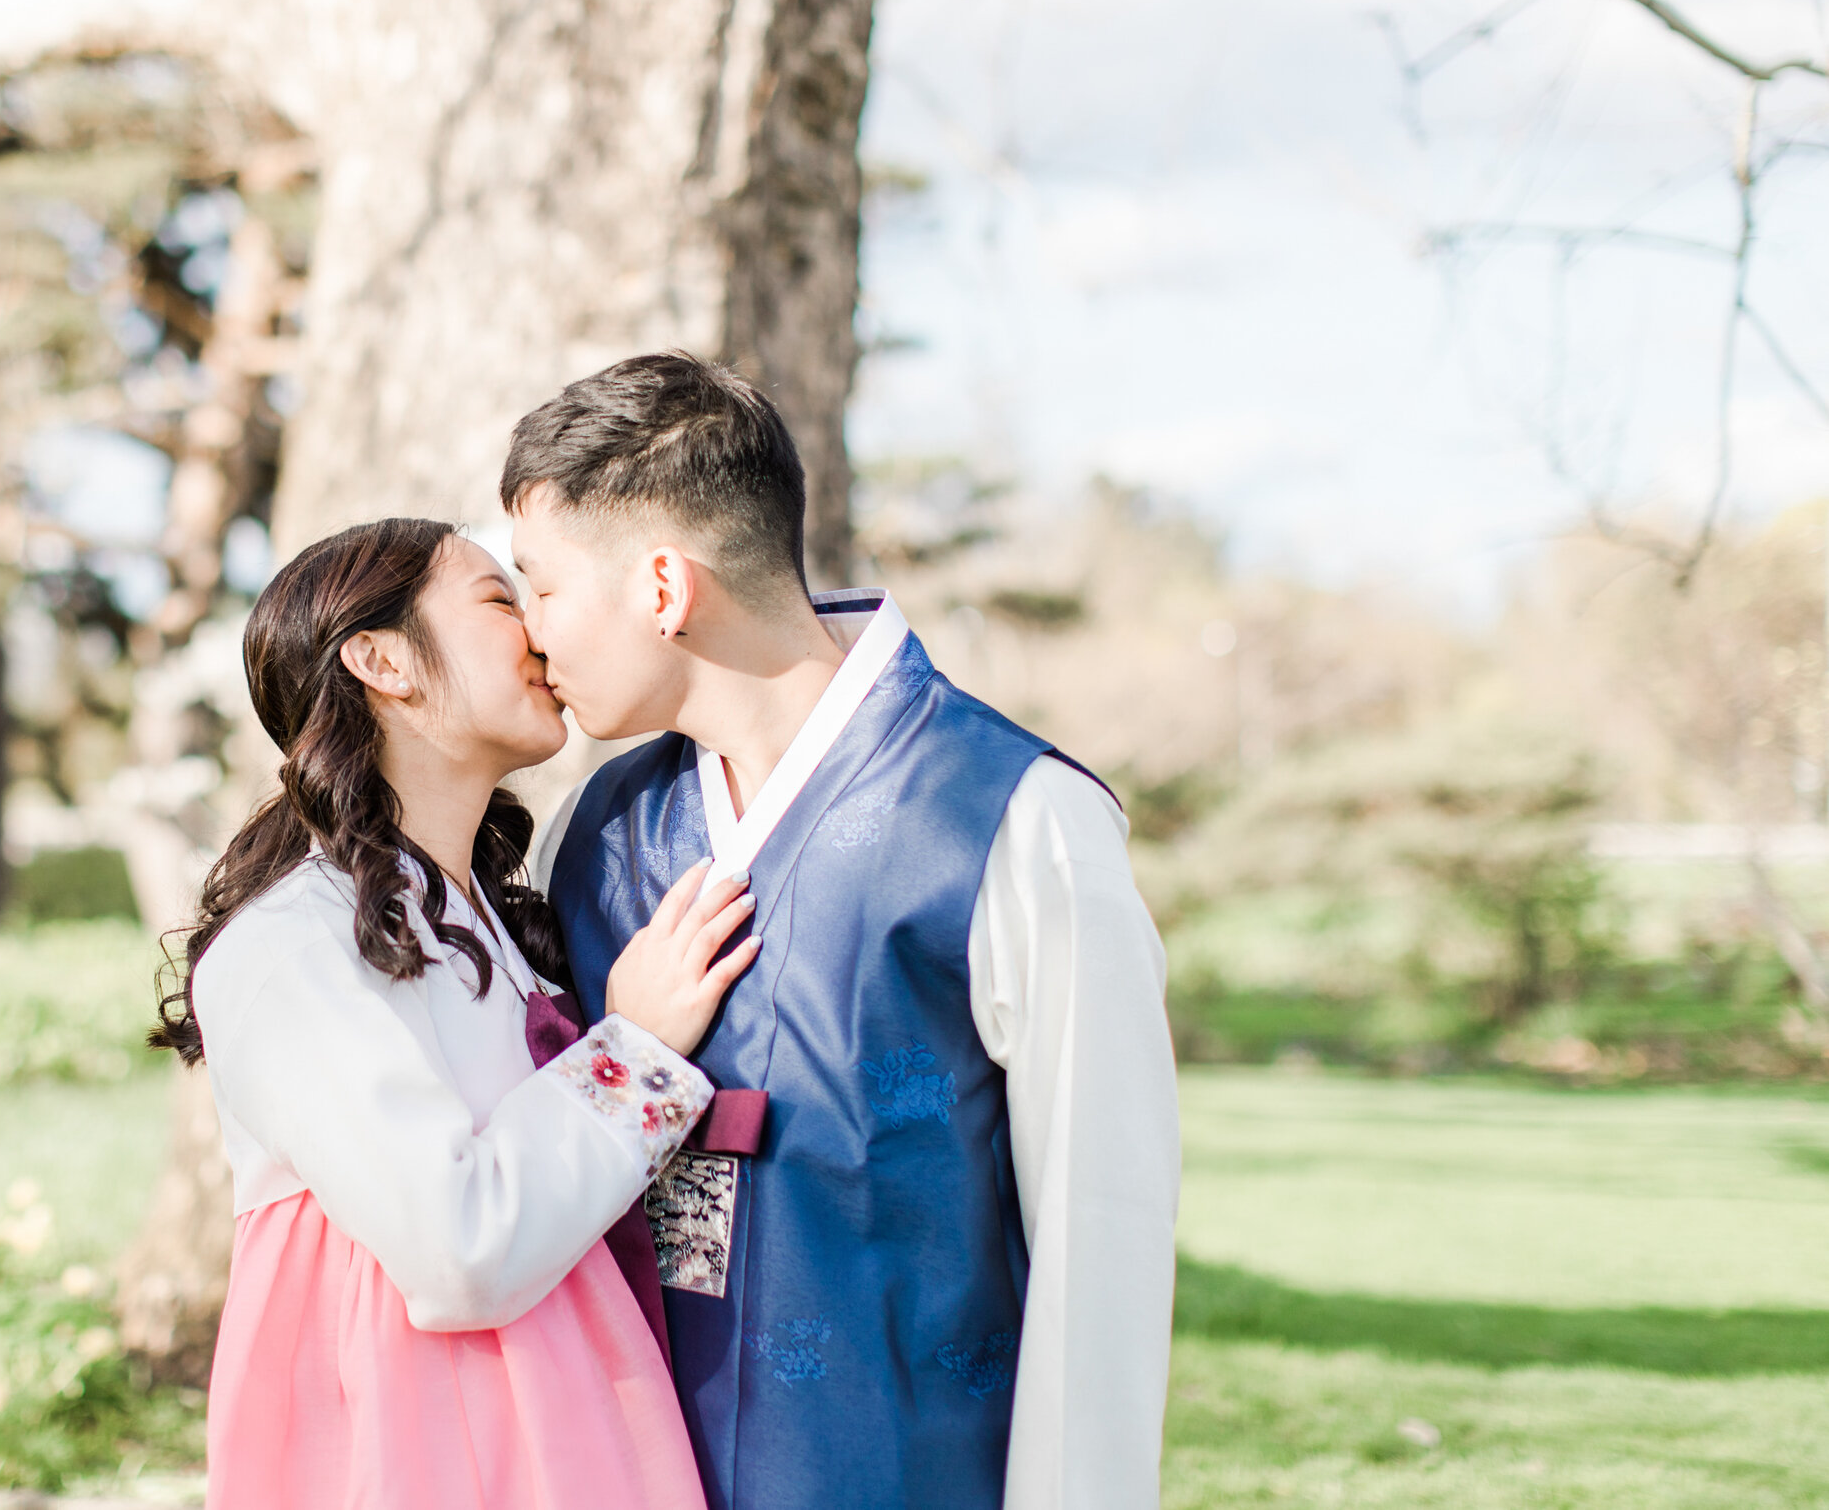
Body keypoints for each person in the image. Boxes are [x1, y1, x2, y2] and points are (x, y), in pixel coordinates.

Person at [505, 354, 1182, 1510]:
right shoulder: (594, 829)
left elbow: (1101, 1239)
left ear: (663, 587)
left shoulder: (1014, 816)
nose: (528, 634)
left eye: (542, 585)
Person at [154, 516, 761, 1510]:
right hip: (432, 1443)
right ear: (382, 660)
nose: (537, 632)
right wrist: (636, 1049)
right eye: (497, 598)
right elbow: (457, 1248)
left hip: (582, 1418)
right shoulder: (288, 948)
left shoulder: (501, 919)